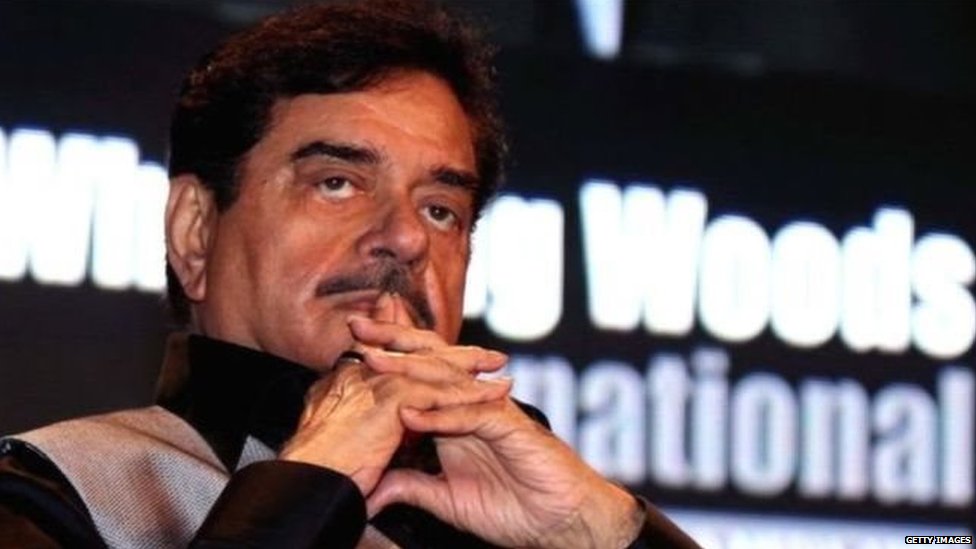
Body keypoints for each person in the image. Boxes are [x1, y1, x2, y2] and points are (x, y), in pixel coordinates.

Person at [0, 1, 701, 547]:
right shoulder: (54, 495)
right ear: (195, 231)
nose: (406, 237)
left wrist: (601, 526)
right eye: (336, 183)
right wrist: (307, 489)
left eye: (440, 209)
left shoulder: (531, 523)